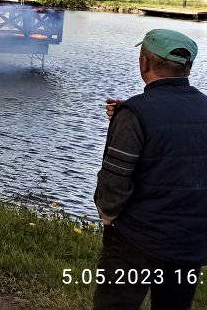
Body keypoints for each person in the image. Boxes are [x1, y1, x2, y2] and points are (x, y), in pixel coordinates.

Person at [93, 28, 206, 310]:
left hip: (136, 239)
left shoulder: (134, 114)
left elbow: (114, 182)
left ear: (144, 62)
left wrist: (108, 216)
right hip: (189, 241)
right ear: (187, 67)